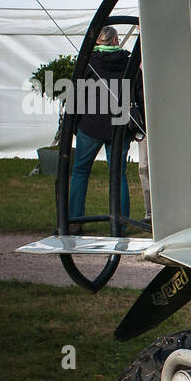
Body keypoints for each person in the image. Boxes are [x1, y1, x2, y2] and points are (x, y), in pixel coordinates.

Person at [68, 27, 133, 233]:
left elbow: (76, 94)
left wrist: (74, 124)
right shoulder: (128, 63)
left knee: (80, 171)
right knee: (118, 174)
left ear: (98, 41)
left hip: (90, 124)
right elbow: (138, 93)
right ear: (115, 40)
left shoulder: (88, 62)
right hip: (119, 125)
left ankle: (74, 221)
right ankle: (120, 224)